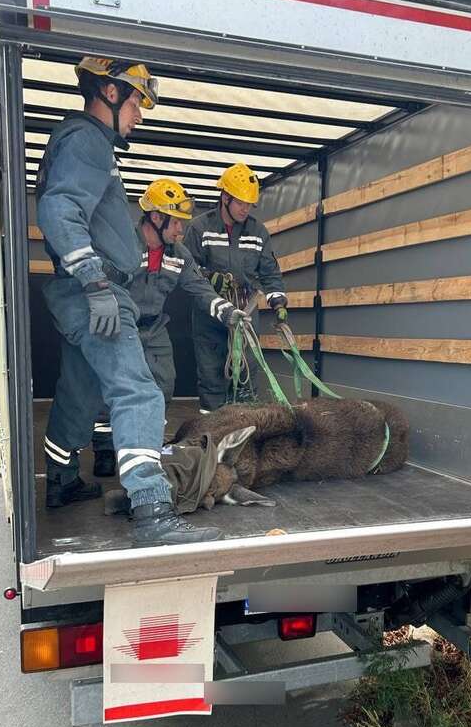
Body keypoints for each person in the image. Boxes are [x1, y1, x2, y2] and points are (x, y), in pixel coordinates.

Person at [37, 56, 225, 546]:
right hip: (95, 291)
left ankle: (61, 480)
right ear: (110, 91)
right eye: (137, 101)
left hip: (79, 294)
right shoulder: (87, 141)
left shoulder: (81, 143)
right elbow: (59, 208)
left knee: (79, 394)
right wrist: (95, 281)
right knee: (138, 391)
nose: (140, 114)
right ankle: (152, 510)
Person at [91, 177, 250, 476]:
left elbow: (200, 288)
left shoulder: (179, 254)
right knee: (112, 386)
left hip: (155, 328)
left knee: (164, 383)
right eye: (176, 222)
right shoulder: (122, 244)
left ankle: (149, 444)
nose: (181, 230)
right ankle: (104, 448)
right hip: (121, 327)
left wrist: (228, 311)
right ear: (156, 217)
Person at [184, 162, 289, 411]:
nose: (245, 209)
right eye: (241, 203)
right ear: (225, 197)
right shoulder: (200, 228)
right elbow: (187, 269)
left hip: (246, 314)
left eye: (249, 204)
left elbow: (270, 272)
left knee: (247, 378)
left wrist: (278, 302)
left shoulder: (258, 232)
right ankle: (212, 428)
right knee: (211, 376)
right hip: (210, 315)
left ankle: (245, 428)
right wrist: (210, 277)